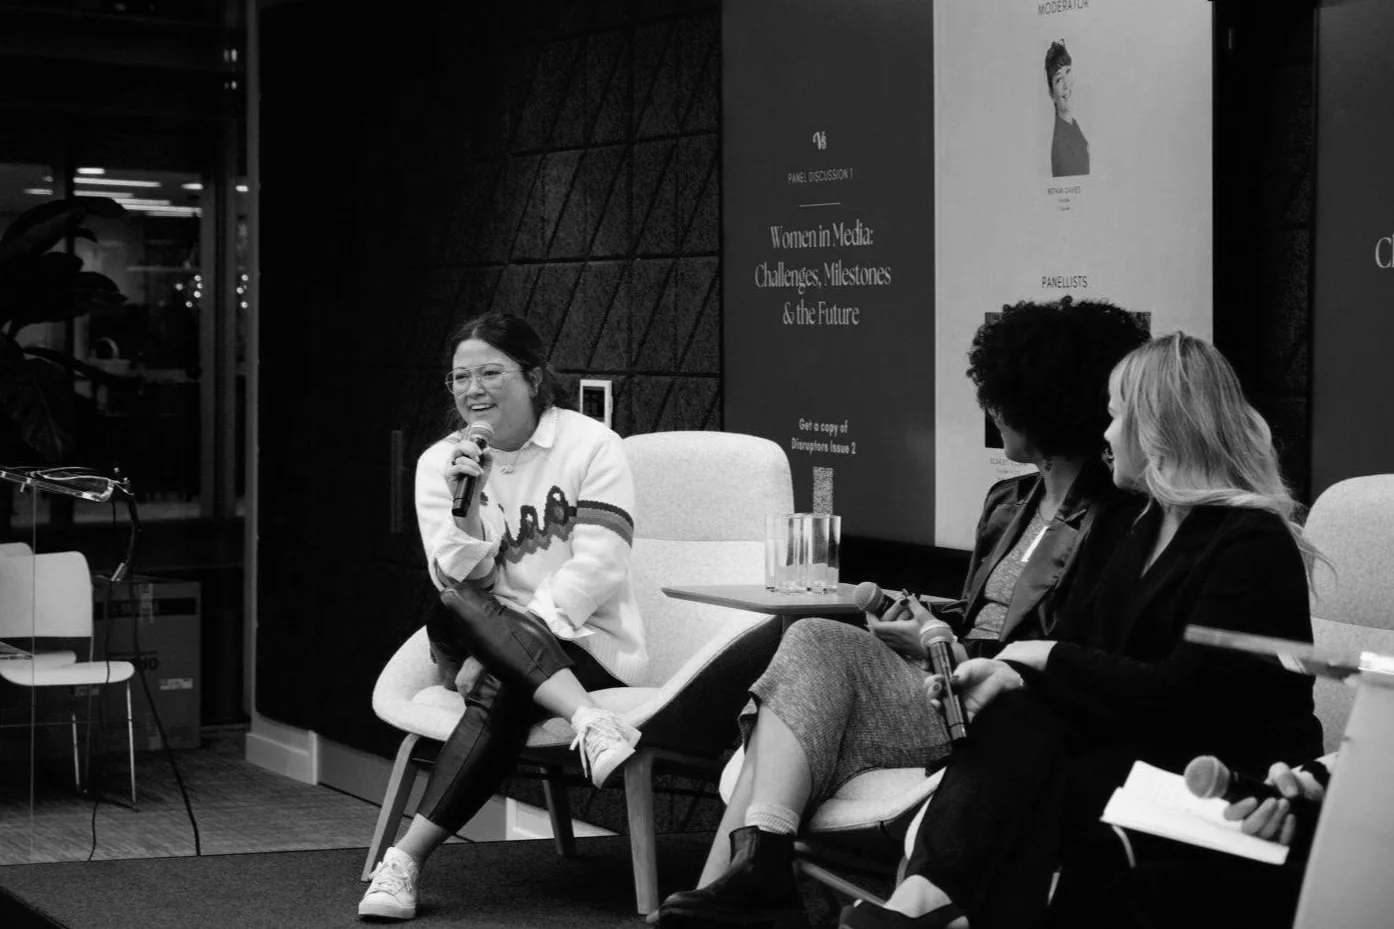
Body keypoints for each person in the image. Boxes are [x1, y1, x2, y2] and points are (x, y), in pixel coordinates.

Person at [654, 299, 1149, 929]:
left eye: (999, 398)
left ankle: (749, 881)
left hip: (1001, 708)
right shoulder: (1009, 500)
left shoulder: (1116, 520)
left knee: (803, 671)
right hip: (938, 680)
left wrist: (938, 643)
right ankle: (754, 873)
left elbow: (1069, 652)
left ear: (1040, 401)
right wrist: (921, 623)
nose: (991, 411)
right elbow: (977, 614)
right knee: (808, 657)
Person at [841, 333, 1324, 929]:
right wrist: (1008, 673)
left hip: (1229, 773)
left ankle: (932, 908)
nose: (1106, 434)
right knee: (1015, 719)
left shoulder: (1250, 541)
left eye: (1117, 417)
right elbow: (1085, 649)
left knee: (1046, 772)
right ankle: (921, 907)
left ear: (1157, 431)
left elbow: (1187, 697)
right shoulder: (1144, 526)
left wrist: (1042, 659)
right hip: (1137, 744)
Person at [358, 313, 648, 921]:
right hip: (471, 629)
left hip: (587, 643)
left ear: (534, 377)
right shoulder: (442, 462)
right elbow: (459, 581)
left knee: (503, 686)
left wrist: (511, 646)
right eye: (460, 377)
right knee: (455, 599)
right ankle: (589, 720)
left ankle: (403, 860)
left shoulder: (593, 445)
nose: (473, 390)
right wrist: (465, 510)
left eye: (491, 372)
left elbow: (600, 566)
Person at [1047, 40, 1089, 178]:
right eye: (1058, 80)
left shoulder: (1072, 124)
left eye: (1068, 71)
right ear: (1051, 94)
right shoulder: (1061, 143)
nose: (1066, 84)